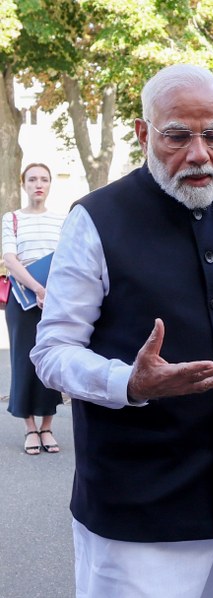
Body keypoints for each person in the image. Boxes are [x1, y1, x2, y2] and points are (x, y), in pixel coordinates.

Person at [30, 64, 213, 598]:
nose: (199, 154)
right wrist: (129, 383)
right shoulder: (96, 218)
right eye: (177, 136)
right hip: (135, 511)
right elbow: (53, 349)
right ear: (143, 134)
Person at [2, 163, 65, 455]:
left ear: (50, 184)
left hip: (56, 299)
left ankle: (48, 426)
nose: (38, 184)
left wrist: (52, 292)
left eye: (44, 179)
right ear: (23, 184)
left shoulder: (62, 220)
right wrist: (38, 289)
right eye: (32, 179)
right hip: (23, 299)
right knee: (24, 360)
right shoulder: (11, 219)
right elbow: (11, 260)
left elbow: (68, 258)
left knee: (53, 359)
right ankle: (29, 427)